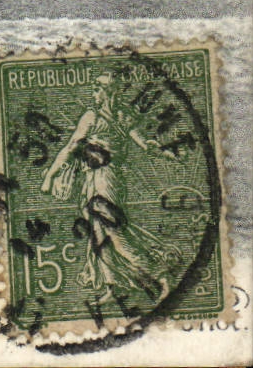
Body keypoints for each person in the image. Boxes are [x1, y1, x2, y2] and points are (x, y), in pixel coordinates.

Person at [41, 73, 181, 308]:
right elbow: (73, 147)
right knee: (99, 238)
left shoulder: (102, 117)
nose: (95, 92)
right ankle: (112, 287)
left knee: (115, 236)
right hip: (91, 180)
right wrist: (51, 174)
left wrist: (49, 175)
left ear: (109, 92)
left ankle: (162, 277)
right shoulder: (110, 116)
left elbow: (71, 147)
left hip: (107, 181)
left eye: (99, 88)